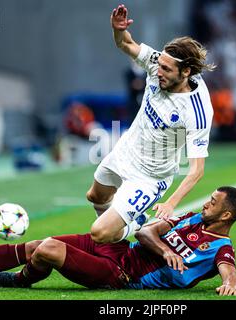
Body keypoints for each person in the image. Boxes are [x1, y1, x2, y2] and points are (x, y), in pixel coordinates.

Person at [0, 186, 236, 296]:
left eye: (213, 203)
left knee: (49, 249)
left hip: (120, 275)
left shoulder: (219, 248)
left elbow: (228, 271)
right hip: (121, 250)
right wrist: (165, 251)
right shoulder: (190, 217)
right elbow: (145, 232)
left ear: (227, 216)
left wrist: (229, 283)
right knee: (38, 245)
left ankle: (22, 281)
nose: (206, 204)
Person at [86, 4, 216, 244]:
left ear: (185, 72)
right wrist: (118, 29)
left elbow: (197, 171)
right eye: (160, 66)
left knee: (100, 234)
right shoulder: (158, 63)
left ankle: (132, 226)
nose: (158, 72)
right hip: (127, 151)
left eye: (166, 69)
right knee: (95, 195)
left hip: (150, 177)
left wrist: (171, 203)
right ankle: (118, 236)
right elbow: (125, 43)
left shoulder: (196, 111)